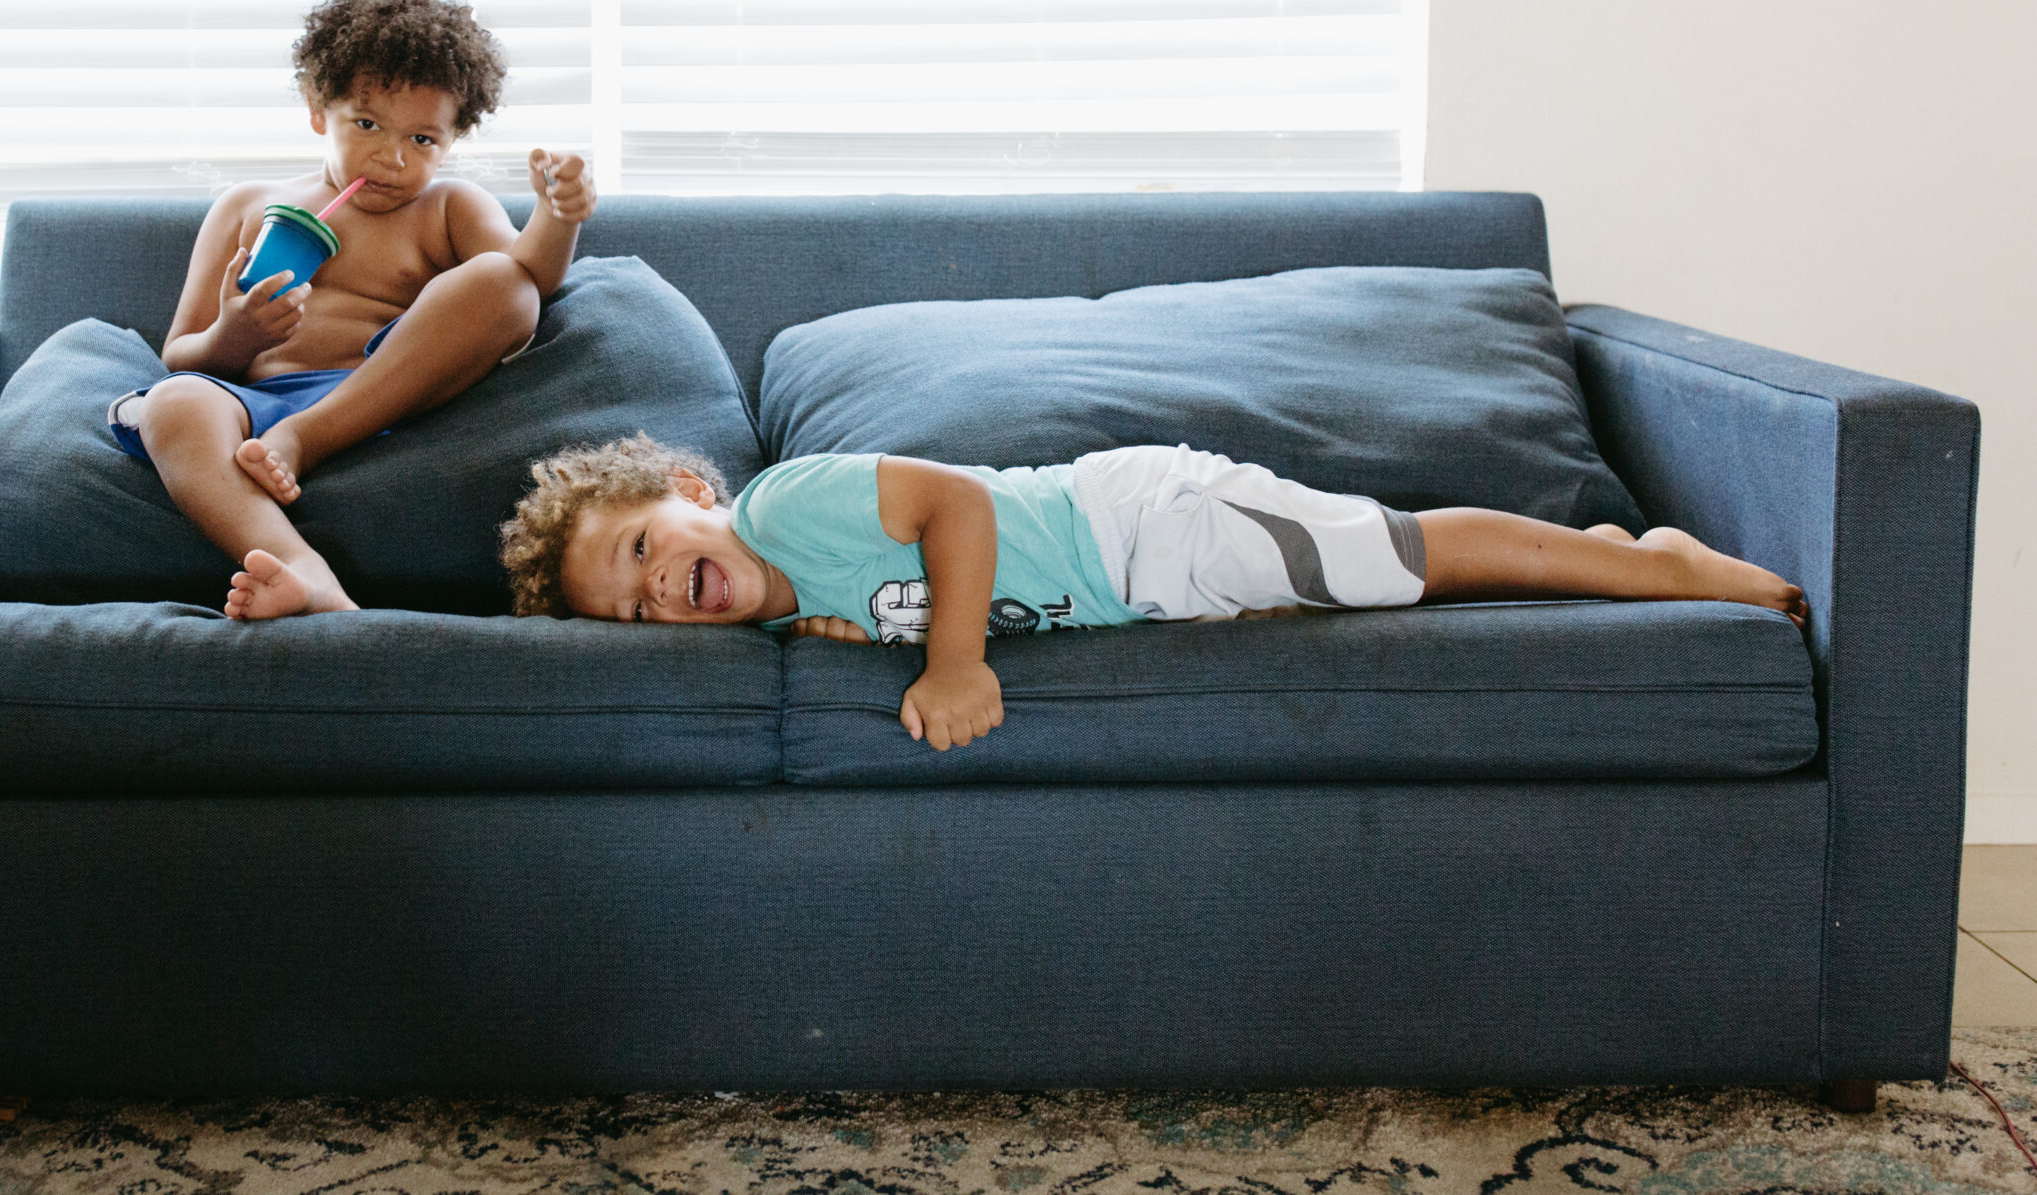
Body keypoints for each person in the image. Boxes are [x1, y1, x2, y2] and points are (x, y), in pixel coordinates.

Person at [499, 434, 1808, 752]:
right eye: (635, 611)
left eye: (637, 551)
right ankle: (1621, 554)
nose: (659, 590)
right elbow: (878, 597)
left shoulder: (782, 502)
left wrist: (954, 662)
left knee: (1399, 555)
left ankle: (1651, 562)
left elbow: (951, 501)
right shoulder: (787, 605)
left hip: (1138, 524)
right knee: (1369, 585)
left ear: (684, 487)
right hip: (1142, 591)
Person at [112, 0, 596, 620]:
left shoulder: (450, 206)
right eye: (367, 123)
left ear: (452, 142)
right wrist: (238, 335)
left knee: (501, 285)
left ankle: (306, 439)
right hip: (256, 404)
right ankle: (301, 572)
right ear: (319, 109)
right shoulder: (246, 207)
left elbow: (531, 280)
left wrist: (558, 216)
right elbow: (183, 356)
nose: (392, 157)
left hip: (379, 396)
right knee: (174, 405)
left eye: (422, 139)